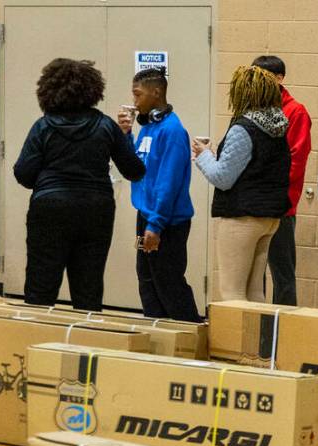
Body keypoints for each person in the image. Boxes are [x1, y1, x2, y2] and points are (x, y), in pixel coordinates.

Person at [14, 58, 145, 310]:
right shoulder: (106, 125)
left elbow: (23, 174)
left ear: (47, 90)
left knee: (41, 284)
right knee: (89, 286)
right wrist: (125, 136)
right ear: (93, 90)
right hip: (96, 210)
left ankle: (38, 341)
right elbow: (134, 171)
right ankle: (84, 344)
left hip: (49, 208)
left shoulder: (42, 127)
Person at [193, 65, 290, 303]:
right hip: (269, 218)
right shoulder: (277, 126)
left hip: (242, 217)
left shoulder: (244, 128)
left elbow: (223, 178)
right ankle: (259, 340)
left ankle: (233, 342)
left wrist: (203, 155)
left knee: (232, 292)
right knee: (255, 291)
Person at [118, 67, 200, 322]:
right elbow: (137, 168)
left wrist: (156, 224)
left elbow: (168, 183)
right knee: (148, 282)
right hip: (147, 215)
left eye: (138, 95)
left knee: (169, 284)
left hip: (167, 222)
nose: (134, 102)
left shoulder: (172, 131)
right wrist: (126, 134)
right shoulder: (149, 128)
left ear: (156, 93)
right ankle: (157, 338)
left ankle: (188, 334)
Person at [252, 55, 312, 306]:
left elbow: (296, 161)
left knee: (282, 273)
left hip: (280, 205)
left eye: (260, 77)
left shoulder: (295, 111)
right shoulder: (252, 108)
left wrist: (271, 192)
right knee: (253, 273)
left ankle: (285, 326)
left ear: (279, 79)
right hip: (253, 203)